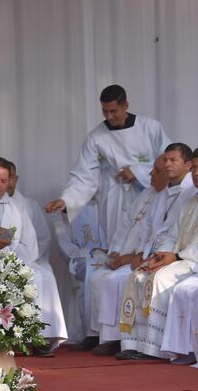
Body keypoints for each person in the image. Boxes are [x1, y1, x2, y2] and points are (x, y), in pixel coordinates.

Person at [46, 85, 170, 247]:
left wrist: (138, 171)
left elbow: (169, 163)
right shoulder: (96, 138)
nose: (109, 116)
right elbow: (84, 176)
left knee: (147, 240)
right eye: (104, 111)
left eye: (113, 111)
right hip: (114, 199)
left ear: (125, 105)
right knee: (117, 244)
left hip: (148, 193)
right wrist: (66, 200)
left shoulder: (150, 128)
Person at [117, 145, 198, 360]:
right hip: (181, 258)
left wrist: (176, 257)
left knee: (159, 277)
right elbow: (173, 234)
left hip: (192, 262)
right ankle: (137, 344)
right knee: (141, 273)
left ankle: (158, 348)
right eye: (196, 168)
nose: (196, 174)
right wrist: (162, 254)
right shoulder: (190, 202)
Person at [0, 157, 60, 355]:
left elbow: (29, 242)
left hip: (13, 260)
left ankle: (38, 337)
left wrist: (10, 257)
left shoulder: (16, 206)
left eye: (4, 181)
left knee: (40, 276)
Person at [84, 155, 167, 355]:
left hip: (147, 258)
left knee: (113, 281)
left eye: (156, 171)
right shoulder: (146, 194)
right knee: (95, 278)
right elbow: (126, 223)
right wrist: (116, 251)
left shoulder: (167, 196)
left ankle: (115, 338)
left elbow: (156, 234)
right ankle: (97, 334)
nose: (150, 174)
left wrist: (133, 257)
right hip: (132, 255)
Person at [5, 160, 68, 352]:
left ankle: (44, 336)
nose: (6, 184)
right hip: (3, 258)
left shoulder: (29, 205)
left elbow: (42, 238)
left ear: (16, 179)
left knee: (45, 276)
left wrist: (29, 256)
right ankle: (17, 338)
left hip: (31, 257)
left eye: (9, 179)